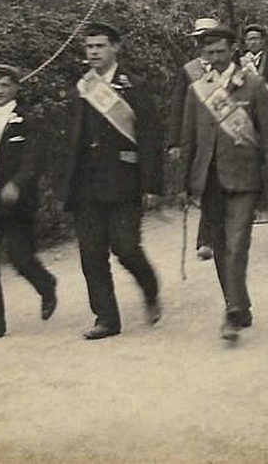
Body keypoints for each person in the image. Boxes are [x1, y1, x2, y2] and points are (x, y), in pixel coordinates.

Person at [179, 26, 268, 342]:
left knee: (238, 244)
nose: (214, 58)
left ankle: (232, 313)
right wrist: (185, 182)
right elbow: (189, 139)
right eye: (208, 53)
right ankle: (239, 304)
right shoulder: (197, 90)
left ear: (233, 50)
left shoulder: (254, 86)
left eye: (220, 51)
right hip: (209, 178)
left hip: (245, 177)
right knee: (223, 248)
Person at [62, 21, 163, 341]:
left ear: (115, 48)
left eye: (100, 46)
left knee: (126, 247)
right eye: (89, 47)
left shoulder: (134, 86)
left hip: (123, 182)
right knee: (91, 255)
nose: (93, 52)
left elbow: (149, 137)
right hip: (86, 185)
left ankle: (150, 288)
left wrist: (151, 185)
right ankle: (106, 318)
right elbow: (72, 139)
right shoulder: (81, 87)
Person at [0, 64, 57, 345]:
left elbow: (33, 160)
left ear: (16, 87)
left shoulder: (26, 121)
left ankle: (46, 284)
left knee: (20, 257)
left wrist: (17, 183)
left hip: (14, 202)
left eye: (4, 85)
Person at [167, 17, 221, 262]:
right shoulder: (190, 71)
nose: (205, 44)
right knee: (207, 187)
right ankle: (206, 239)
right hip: (199, 138)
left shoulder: (234, 68)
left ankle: (217, 235)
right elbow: (178, 108)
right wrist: (175, 142)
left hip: (225, 135)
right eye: (202, 40)